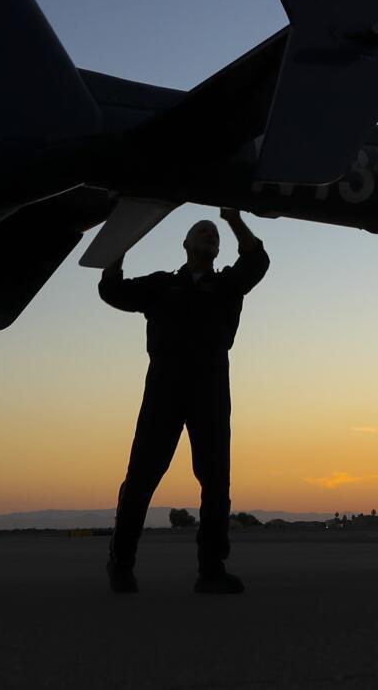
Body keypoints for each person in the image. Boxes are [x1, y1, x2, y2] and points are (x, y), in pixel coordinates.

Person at [100, 206, 268, 594]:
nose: (210, 234)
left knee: (215, 481)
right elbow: (113, 290)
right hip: (164, 388)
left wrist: (233, 218)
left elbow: (257, 260)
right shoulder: (160, 285)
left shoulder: (228, 285)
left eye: (214, 233)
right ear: (186, 244)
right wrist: (118, 247)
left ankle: (211, 570)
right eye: (202, 230)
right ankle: (120, 564)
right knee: (141, 477)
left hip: (210, 389)